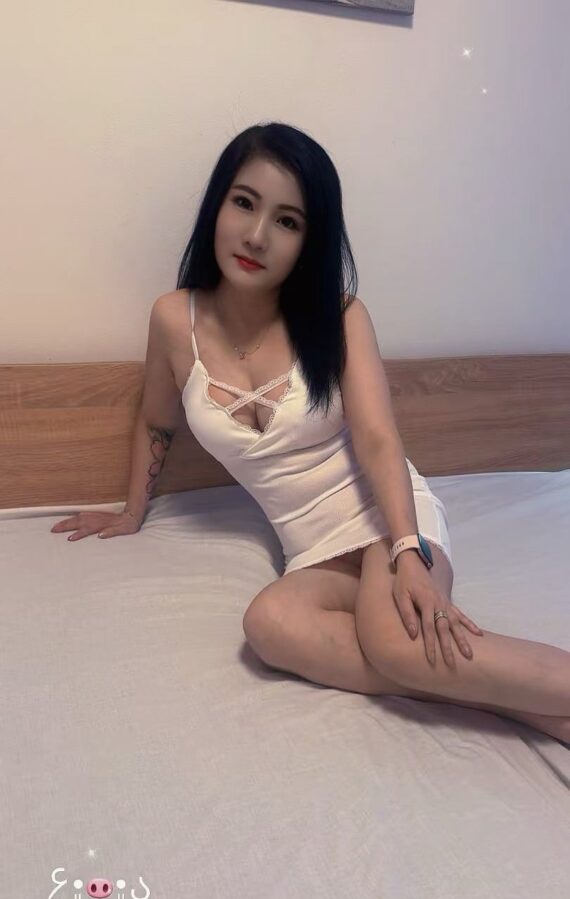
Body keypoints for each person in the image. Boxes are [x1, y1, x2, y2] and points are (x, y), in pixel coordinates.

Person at [51, 121, 570, 743]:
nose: (257, 235)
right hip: (310, 548)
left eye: (287, 221)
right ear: (217, 203)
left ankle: (534, 701)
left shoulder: (340, 315)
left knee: (393, 643)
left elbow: (379, 438)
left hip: (387, 517)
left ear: (309, 239)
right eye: (244, 203)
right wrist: (132, 512)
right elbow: (155, 420)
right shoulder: (172, 319)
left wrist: (408, 550)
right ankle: (519, 703)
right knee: (268, 624)